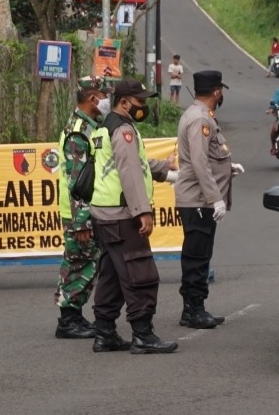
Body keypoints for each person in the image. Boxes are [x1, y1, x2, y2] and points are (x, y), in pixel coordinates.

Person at [88, 79, 178, 354]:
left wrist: (165, 168)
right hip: (122, 214)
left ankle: (104, 332)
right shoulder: (124, 130)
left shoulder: (105, 127)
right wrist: (143, 211)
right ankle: (143, 334)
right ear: (124, 102)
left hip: (103, 214)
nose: (144, 106)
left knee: (112, 274)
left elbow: (135, 164)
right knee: (140, 273)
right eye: (140, 102)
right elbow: (129, 173)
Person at [175, 71, 242, 329]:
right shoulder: (200, 119)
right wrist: (215, 198)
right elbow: (199, 161)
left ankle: (196, 306)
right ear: (216, 91)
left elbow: (210, 158)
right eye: (221, 91)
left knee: (201, 254)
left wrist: (228, 167)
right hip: (198, 200)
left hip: (199, 199)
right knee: (196, 256)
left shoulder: (199, 115)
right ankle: (193, 309)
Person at [54, 76, 111, 339]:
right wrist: (81, 222)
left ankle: (74, 316)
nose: (107, 100)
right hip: (79, 213)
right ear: (92, 98)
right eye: (104, 94)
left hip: (84, 211)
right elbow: (77, 181)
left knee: (87, 263)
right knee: (78, 263)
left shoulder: (88, 126)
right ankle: (68, 320)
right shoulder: (79, 132)